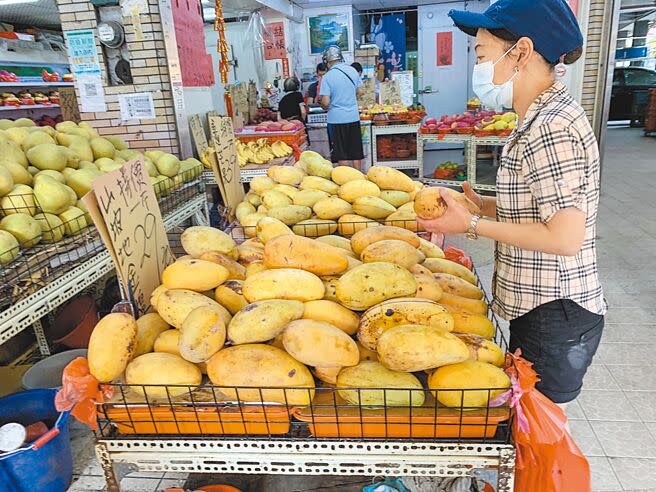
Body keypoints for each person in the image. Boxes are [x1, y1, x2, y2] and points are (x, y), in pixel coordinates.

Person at [419, 0, 606, 408]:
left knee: (536, 428)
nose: (479, 66)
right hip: (542, 309)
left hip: (555, 313)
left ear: (519, 51)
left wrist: (469, 226)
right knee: (525, 421)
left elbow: (564, 237)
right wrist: (482, 205)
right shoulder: (536, 117)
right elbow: (541, 206)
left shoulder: (552, 126)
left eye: (482, 54)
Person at [319, 45, 364, 169]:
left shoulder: (327, 77)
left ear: (327, 62)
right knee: (355, 152)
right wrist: (349, 97)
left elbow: (326, 102)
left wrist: (323, 103)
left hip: (336, 119)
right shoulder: (352, 71)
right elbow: (361, 91)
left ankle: (346, 182)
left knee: (342, 154)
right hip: (353, 117)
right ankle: (358, 180)